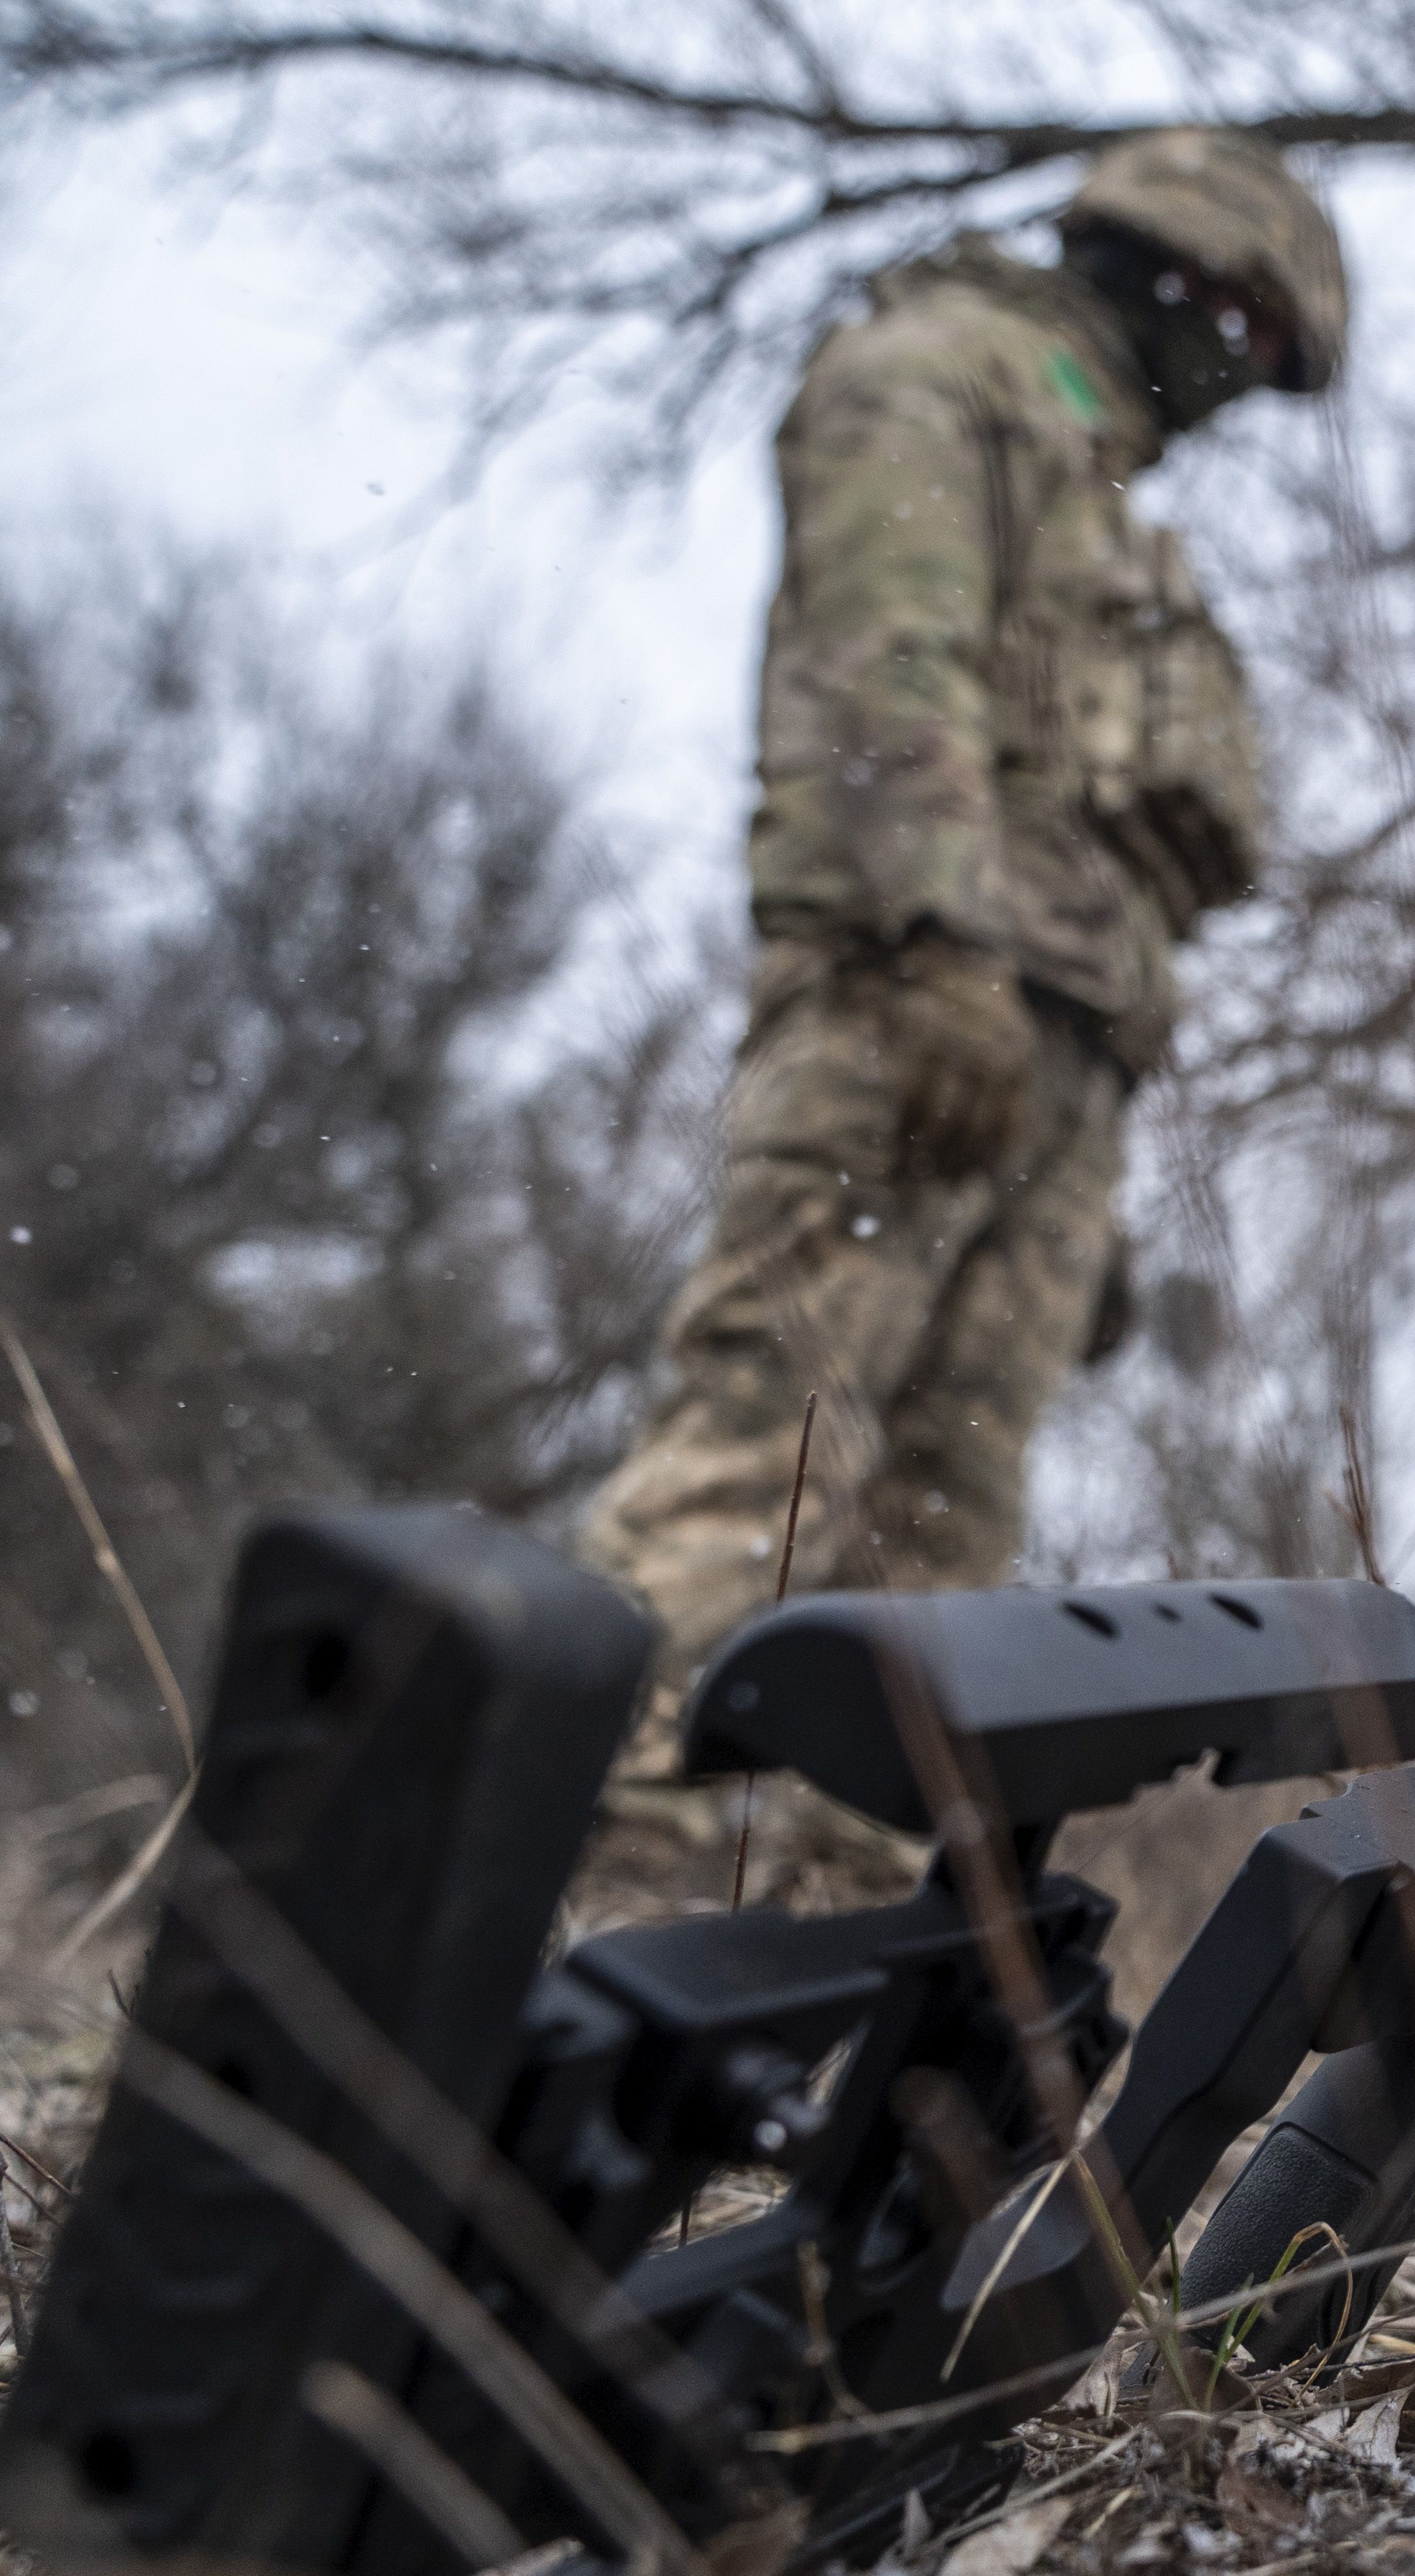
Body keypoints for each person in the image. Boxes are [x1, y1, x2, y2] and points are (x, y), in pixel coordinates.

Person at [570, 130, 1345, 1902]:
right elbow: (884, 669)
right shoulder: (935, 374)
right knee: (766, 1445)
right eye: (1247, 329)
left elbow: (1090, 808)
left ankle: (841, 1927)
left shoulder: (1090, 476)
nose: (1244, 380)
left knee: (948, 1523)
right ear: (1176, 275)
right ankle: (587, 1858)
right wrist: (939, 950)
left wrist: (1081, 1138)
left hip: (1064, 1043)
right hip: (910, 996)